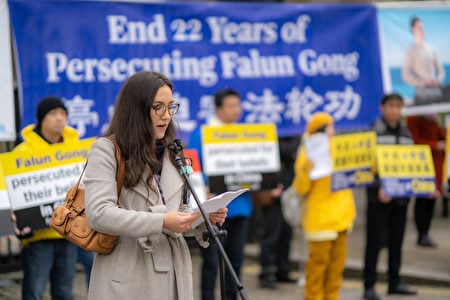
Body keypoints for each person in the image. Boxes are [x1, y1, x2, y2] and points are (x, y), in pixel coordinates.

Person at [83, 71, 227, 299]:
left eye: (171, 107)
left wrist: (201, 219)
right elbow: (99, 214)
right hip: (129, 274)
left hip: (175, 271)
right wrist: (161, 221)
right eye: (157, 107)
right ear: (137, 109)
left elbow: (178, 214)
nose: (166, 115)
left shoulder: (173, 151)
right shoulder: (107, 149)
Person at [188, 88, 253, 300]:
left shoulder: (246, 134)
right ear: (218, 109)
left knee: (236, 261)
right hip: (215, 210)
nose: (236, 110)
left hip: (240, 206)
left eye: (238, 105)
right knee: (212, 261)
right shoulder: (203, 134)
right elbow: (194, 170)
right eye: (231, 106)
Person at [12, 96, 79, 300]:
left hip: (68, 234)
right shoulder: (21, 153)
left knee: (65, 292)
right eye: (53, 113)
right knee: (34, 291)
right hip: (38, 238)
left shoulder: (75, 149)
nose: (59, 118)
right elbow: (10, 193)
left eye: (63, 113)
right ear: (42, 119)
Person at [292, 112, 356, 300]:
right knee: (317, 269)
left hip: (342, 218)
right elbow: (301, 187)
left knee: (336, 269)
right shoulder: (307, 152)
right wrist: (308, 168)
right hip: (320, 220)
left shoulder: (338, 149)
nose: (332, 131)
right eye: (328, 127)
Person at [363, 93, 417, 300]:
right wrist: (377, 187)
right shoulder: (373, 132)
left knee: (397, 240)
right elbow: (365, 167)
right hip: (379, 197)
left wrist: (421, 185)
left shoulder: (406, 133)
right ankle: (369, 285)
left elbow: (413, 164)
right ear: (382, 107)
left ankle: (394, 282)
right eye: (391, 105)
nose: (395, 110)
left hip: (401, 197)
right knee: (374, 242)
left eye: (398, 106)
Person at [257, 136, 300, 289]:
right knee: (271, 234)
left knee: (286, 233)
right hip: (271, 190)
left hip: (288, 190)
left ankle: (282, 270)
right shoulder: (274, 132)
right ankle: (267, 272)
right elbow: (283, 150)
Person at [406, 114, 446, 247]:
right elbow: (413, 141)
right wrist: (435, 145)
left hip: (436, 166)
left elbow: (443, 136)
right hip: (422, 165)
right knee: (422, 200)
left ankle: (426, 232)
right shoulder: (414, 118)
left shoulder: (434, 119)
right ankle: (421, 233)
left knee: (431, 200)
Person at [402, 16, 446, 105]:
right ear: (413, 29)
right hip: (422, 93)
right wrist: (423, 83)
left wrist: (438, 80)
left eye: (422, 27)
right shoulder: (411, 50)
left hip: (436, 91)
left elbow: (441, 72)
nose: (422, 29)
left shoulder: (430, 48)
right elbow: (405, 75)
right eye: (419, 27)